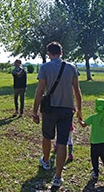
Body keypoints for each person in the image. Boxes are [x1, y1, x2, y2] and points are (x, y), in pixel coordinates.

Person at [32, 41, 82, 187]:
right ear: (61, 52)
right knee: (62, 143)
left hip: (50, 109)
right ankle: (58, 177)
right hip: (67, 110)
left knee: (47, 137)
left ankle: (46, 161)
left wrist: (35, 111)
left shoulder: (45, 67)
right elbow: (77, 92)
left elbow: (40, 90)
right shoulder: (72, 67)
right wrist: (79, 110)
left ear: (49, 53)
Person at [80, 98, 104, 182]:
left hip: (95, 142)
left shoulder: (93, 117)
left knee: (94, 158)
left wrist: (79, 119)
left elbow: (84, 125)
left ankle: (95, 173)